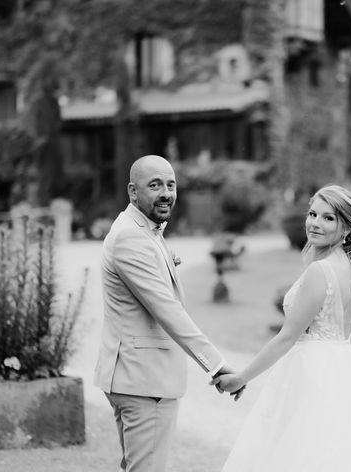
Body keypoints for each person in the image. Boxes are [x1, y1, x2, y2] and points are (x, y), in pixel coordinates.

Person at [211, 184, 351, 471]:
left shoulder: (320, 271)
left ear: (347, 229)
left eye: (328, 218)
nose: (315, 223)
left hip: (312, 374)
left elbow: (286, 337)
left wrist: (242, 377)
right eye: (313, 213)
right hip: (345, 371)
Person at [93, 155, 242, 472]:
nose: (166, 193)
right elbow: (168, 310)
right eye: (155, 185)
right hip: (145, 383)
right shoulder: (131, 237)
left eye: (171, 185)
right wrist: (215, 365)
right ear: (133, 191)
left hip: (134, 379)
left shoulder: (143, 229)